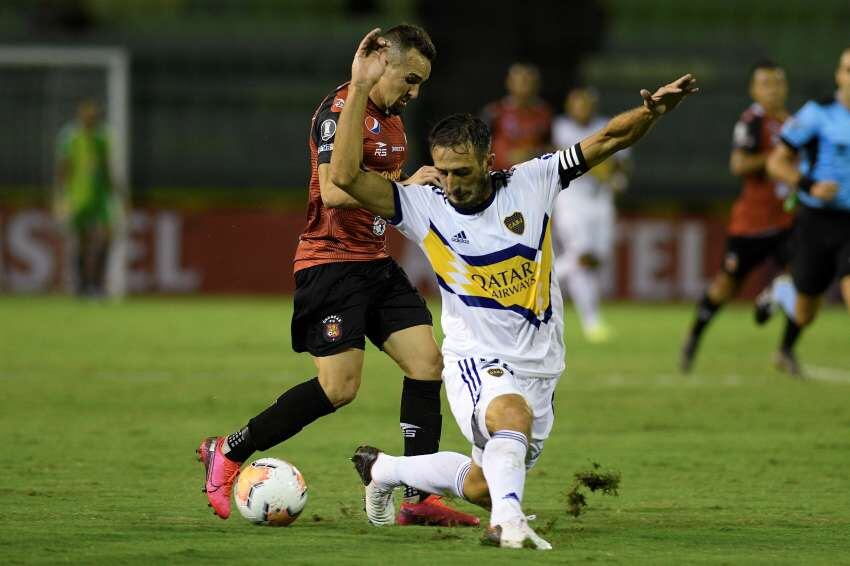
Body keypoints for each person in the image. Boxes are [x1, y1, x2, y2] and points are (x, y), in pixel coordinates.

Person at [331, 29, 697, 549]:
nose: (452, 184)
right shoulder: (421, 206)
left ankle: (384, 469)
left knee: (486, 480)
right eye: (444, 171)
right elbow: (344, 176)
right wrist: (359, 88)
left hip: (540, 363)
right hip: (475, 358)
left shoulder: (534, 180)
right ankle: (508, 523)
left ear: (487, 159)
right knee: (510, 420)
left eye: (462, 172)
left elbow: (609, 139)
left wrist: (653, 112)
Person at [197, 24, 478, 528]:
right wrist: (405, 185)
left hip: (373, 261)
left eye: (421, 84)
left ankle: (417, 495)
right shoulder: (342, 109)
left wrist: (406, 192)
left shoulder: (392, 120)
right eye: (410, 79)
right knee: (339, 388)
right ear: (382, 64)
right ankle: (228, 449)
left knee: (426, 363)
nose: (415, 92)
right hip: (330, 264)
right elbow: (333, 189)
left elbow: (380, 190)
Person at [680, 61, 793, 373]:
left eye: (778, 83)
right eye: (766, 84)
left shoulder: (795, 123)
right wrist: (776, 157)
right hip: (752, 223)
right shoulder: (752, 121)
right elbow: (739, 164)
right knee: (725, 287)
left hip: (787, 220)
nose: (773, 89)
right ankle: (693, 336)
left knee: (805, 274)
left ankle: (785, 348)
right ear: (753, 90)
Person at [764, 47, 850, 375]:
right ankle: (784, 293)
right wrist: (809, 185)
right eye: (848, 70)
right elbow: (776, 161)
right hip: (817, 221)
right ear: (838, 75)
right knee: (805, 313)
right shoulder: (817, 114)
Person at [552, 86, 632, 343]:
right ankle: (591, 321)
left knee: (595, 260)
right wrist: (602, 168)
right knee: (582, 257)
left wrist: (616, 176)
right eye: (578, 103)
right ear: (569, 105)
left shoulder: (606, 125)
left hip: (601, 200)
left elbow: (621, 163)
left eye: (586, 103)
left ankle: (543, 276)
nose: (582, 108)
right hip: (572, 200)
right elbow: (574, 163)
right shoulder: (561, 127)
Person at [53, 99, 115, 297]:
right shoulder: (69, 137)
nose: (91, 120)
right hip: (77, 197)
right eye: (88, 117)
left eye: (94, 117)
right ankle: (81, 286)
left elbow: (106, 168)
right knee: (81, 242)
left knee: (106, 238)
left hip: (101, 198)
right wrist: (61, 197)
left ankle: (97, 284)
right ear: (81, 117)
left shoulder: (103, 137)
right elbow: (63, 168)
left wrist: (116, 193)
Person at [481, 63, 552, 171]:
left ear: (537, 84)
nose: (524, 85)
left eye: (528, 80)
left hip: (535, 175)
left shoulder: (544, 113)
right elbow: (480, 148)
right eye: (520, 80)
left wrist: (532, 154)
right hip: (501, 175)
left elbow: (550, 146)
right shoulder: (494, 112)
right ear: (509, 82)